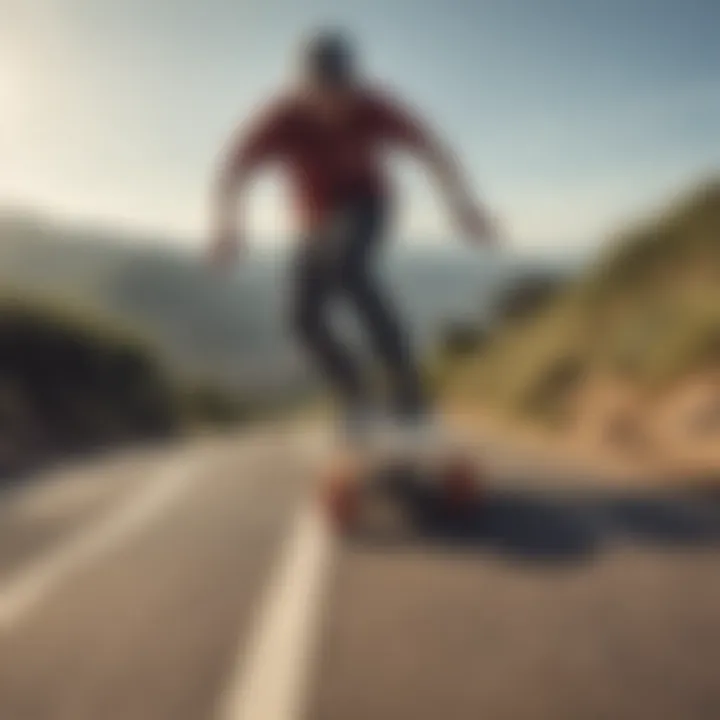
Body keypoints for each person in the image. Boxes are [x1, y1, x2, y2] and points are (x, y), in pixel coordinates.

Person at [209, 28, 499, 436]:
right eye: (321, 96)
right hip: (312, 221)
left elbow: (433, 149)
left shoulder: (375, 106)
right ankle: (356, 398)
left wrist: (464, 208)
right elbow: (233, 170)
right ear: (302, 89)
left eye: (341, 94)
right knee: (302, 318)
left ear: (353, 84)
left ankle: (408, 394)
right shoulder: (280, 117)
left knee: (349, 268)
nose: (332, 107)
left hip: (367, 203)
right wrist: (228, 226)